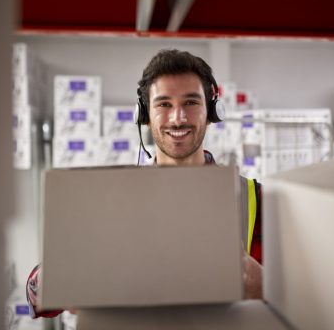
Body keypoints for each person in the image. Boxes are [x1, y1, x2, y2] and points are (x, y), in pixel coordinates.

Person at [27, 49, 263, 318]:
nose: (178, 118)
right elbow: (37, 293)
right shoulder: (110, 197)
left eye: (190, 102)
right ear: (145, 115)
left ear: (211, 112)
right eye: (164, 104)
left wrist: (266, 286)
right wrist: (61, 279)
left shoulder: (254, 198)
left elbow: (307, 296)